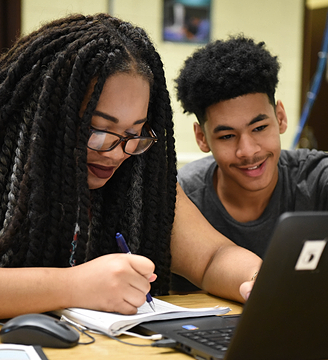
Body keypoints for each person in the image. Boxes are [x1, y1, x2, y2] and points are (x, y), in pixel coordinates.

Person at [0, 14, 262, 319]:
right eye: (98, 131)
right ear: (47, 118)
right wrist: (75, 286)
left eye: (133, 134)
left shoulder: (137, 180)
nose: (116, 154)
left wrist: (259, 279)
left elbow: (213, 257)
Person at [173, 35, 328, 292]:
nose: (248, 151)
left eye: (260, 127)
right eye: (227, 136)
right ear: (201, 138)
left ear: (280, 118)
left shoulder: (320, 175)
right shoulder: (183, 195)